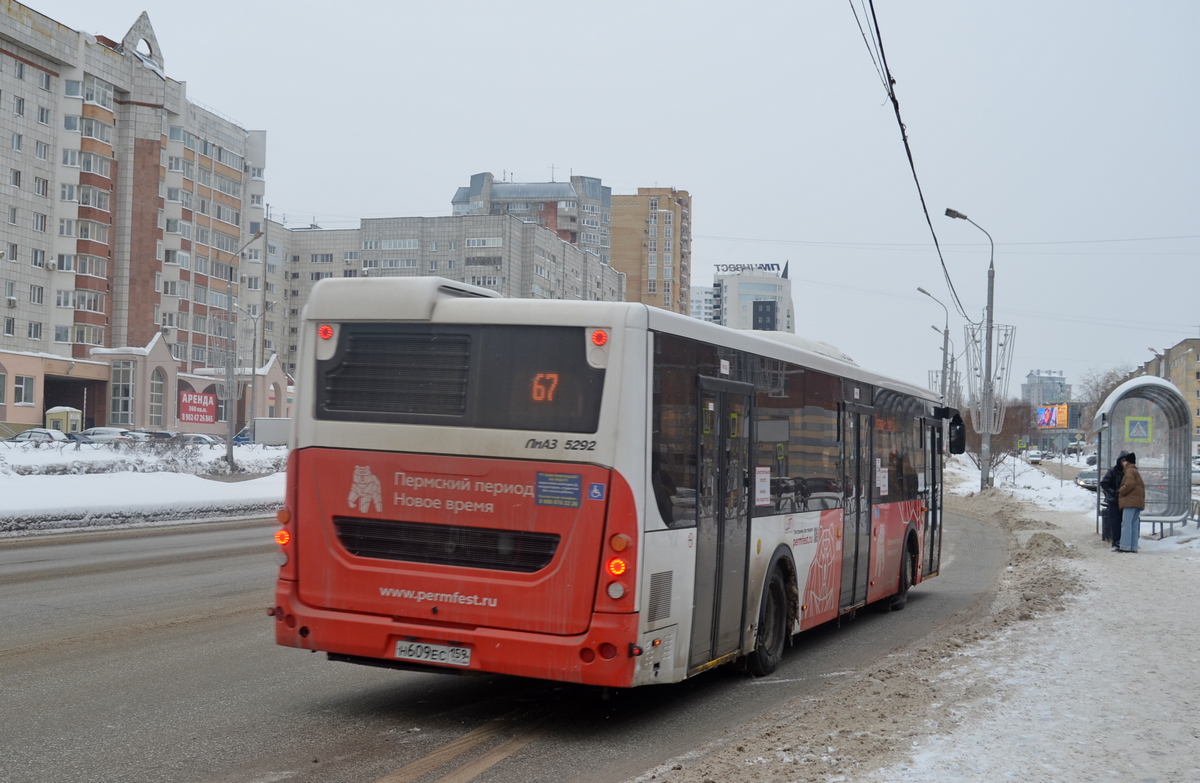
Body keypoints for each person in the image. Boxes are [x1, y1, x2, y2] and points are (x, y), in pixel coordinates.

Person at [1117, 452, 1145, 553]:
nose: (1122, 463)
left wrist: (1121, 491)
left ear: (1127, 462)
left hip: (1130, 501)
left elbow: (1130, 484)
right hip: (1137, 502)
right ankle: (1133, 546)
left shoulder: (1129, 471)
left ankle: (1125, 546)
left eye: (1124, 461)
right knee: (1133, 524)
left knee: (1126, 523)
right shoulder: (1135, 471)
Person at [1098, 452, 1127, 548]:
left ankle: (1125, 542)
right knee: (1115, 523)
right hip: (1114, 502)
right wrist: (1114, 493)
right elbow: (1104, 484)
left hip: (1126, 502)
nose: (1124, 462)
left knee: (1126, 523)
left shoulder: (1130, 472)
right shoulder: (1112, 471)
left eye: (1126, 460)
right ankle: (1116, 542)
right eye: (1122, 460)